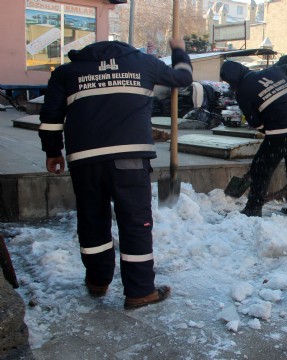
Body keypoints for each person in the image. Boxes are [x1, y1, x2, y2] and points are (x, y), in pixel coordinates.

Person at [38, 39, 193, 309]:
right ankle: (140, 291)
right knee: (135, 223)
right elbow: (183, 78)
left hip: (84, 160)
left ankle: (98, 281)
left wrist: (53, 152)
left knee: (92, 220)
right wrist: (179, 49)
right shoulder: (143, 63)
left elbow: (51, 117)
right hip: (130, 157)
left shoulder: (66, 72)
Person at [220, 60, 287, 219]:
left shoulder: (242, 92)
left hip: (282, 129)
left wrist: (265, 130)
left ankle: (253, 207)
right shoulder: (274, 71)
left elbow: (254, 121)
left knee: (262, 168)